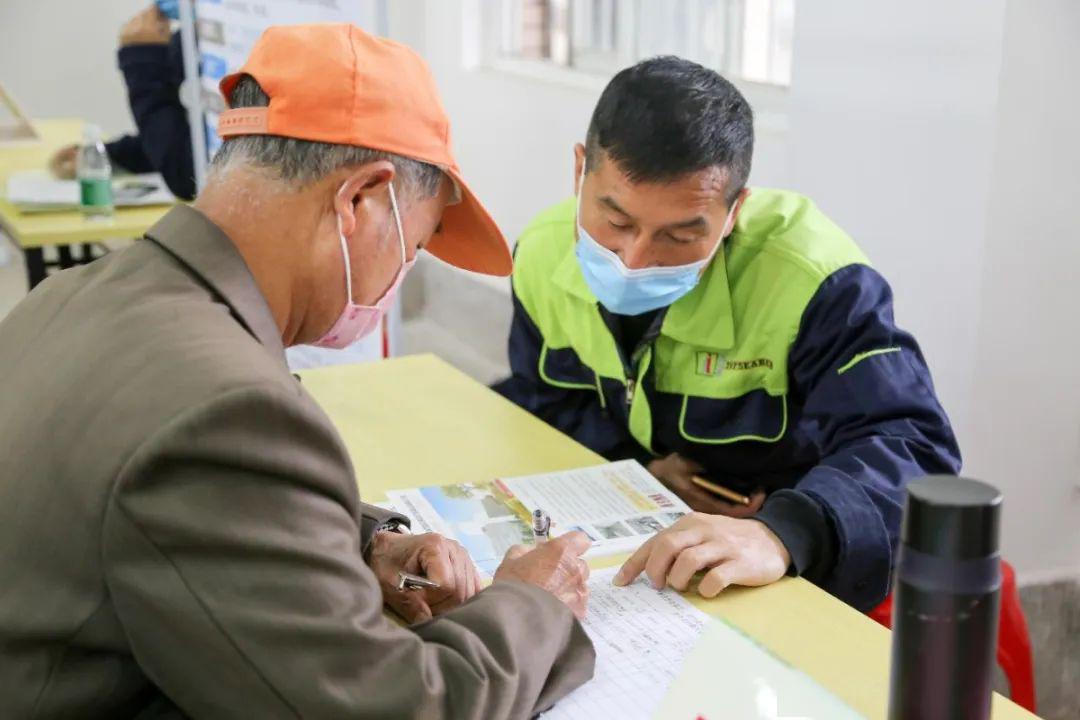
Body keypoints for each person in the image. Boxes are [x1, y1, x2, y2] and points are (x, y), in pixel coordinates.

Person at [0, 24, 595, 718]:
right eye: (418, 242)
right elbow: (397, 708)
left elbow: (181, 514)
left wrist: (362, 542)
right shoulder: (226, 412)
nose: (402, 274)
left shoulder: (71, 294)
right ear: (360, 202)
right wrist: (533, 604)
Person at [495, 56, 961, 612]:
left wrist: (784, 533)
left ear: (734, 209)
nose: (636, 259)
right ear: (579, 172)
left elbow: (911, 443)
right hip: (649, 537)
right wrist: (640, 470)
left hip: (788, 560)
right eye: (616, 221)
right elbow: (547, 401)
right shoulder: (541, 253)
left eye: (680, 234)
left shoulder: (813, 279)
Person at [49, 2, 196, 200]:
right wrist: (110, 156)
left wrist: (143, 60)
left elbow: (188, 176)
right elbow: (190, 140)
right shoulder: (193, 40)